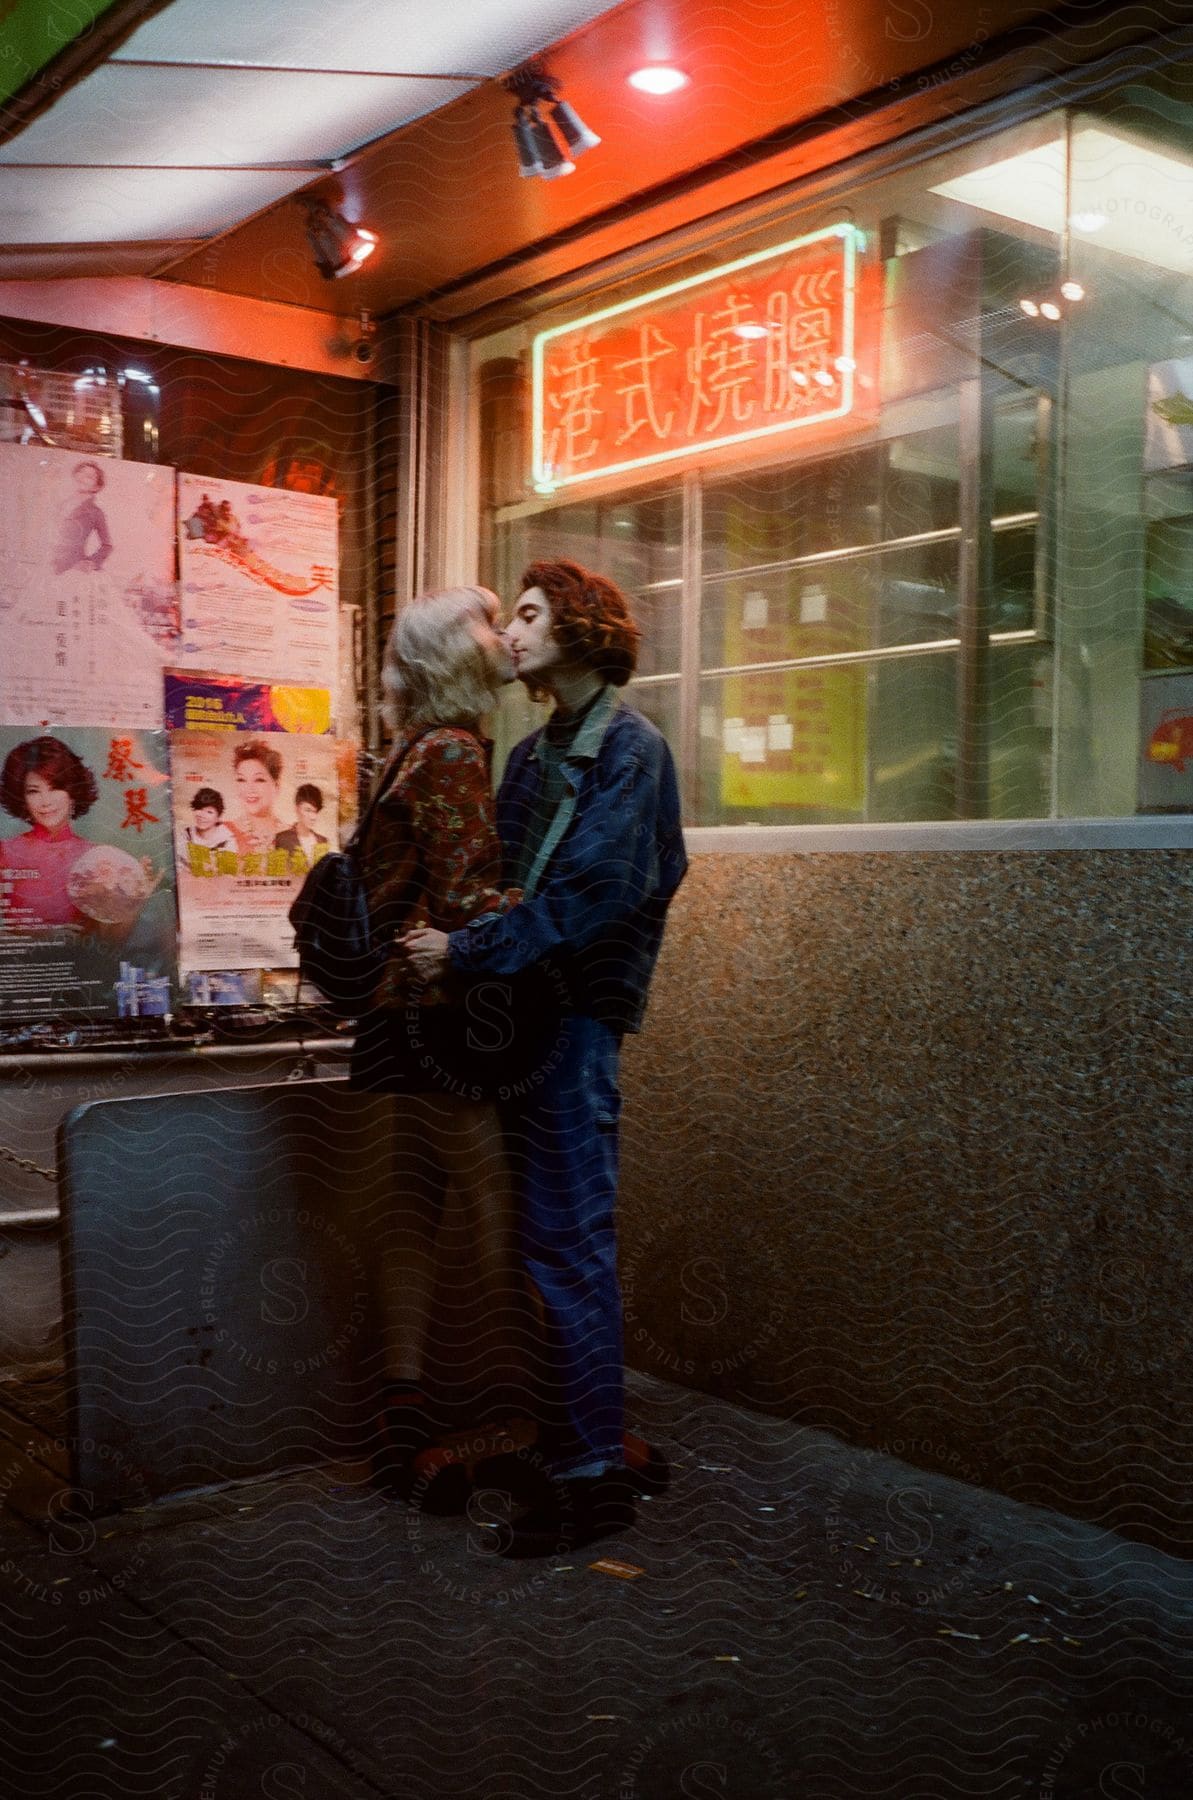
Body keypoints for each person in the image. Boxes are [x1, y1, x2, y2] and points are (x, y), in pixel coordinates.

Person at [400, 558, 688, 1556]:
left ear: (579, 626)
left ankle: (590, 1483)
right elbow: (514, 893)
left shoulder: (629, 751)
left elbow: (591, 896)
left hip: (570, 1029)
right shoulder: (533, 756)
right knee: (544, 1251)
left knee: (568, 1249)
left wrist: (464, 950)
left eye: (528, 615)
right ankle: (581, 1448)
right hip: (520, 1026)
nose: (508, 634)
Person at [350, 584, 530, 1504]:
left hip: (387, 1018)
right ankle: (533, 1407)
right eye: (488, 625)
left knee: (411, 1213)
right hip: (439, 1012)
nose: (505, 638)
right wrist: (549, 908)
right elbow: (463, 902)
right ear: (454, 656)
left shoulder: (401, 753)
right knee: (497, 1206)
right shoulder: (456, 751)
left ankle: (402, 1405)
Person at [0, 735, 99, 927]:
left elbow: (107, 941)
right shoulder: (5, 853)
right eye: (34, 791)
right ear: (22, 797)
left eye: (55, 787)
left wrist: (131, 900)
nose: (46, 802)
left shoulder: (94, 856)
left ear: (72, 792)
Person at [51, 460, 113, 576]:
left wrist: (90, 563)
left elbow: (107, 546)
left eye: (89, 477)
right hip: (50, 564)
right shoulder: (61, 504)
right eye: (81, 473)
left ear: (96, 486)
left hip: (73, 569)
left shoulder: (96, 512)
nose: (82, 478)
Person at [227, 739, 286, 856]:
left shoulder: (293, 835)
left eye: (259, 780)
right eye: (241, 780)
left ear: (276, 786)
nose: (249, 789)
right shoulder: (223, 832)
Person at [273, 783, 329, 866]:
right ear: (297, 809)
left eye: (315, 811)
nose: (313, 817)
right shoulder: (282, 839)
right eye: (308, 810)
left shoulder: (323, 841)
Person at [184, 787, 236, 852]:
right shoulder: (186, 835)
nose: (202, 815)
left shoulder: (227, 841)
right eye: (199, 809)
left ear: (218, 817)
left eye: (209, 812)